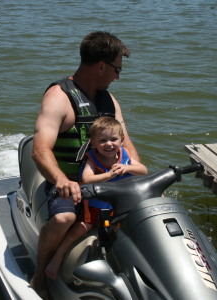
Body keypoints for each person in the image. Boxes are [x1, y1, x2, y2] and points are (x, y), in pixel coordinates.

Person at [31, 31, 141, 299]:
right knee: (64, 218)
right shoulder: (60, 97)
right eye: (116, 69)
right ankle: (39, 276)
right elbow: (40, 149)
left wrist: (137, 172)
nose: (118, 76)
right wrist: (61, 181)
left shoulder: (109, 101)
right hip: (68, 183)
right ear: (102, 66)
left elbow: (125, 144)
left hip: (106, 183)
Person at [45, 116, 148, 280]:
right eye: (102, 140)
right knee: (81, 228)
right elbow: (86, 179)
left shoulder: (124, 154)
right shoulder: (92, 158)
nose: (109, 144)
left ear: (121, 140)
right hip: (97, 203)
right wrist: (108, 175)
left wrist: (128, 167)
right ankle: (58, 256)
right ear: (93, 143)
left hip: (120, 201)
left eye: (113, 139)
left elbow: (143, 170)